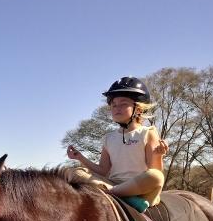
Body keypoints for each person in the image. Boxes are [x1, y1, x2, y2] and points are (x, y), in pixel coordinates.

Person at [67, 76, 168, 212]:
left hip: (139, 187)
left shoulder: (148, 132)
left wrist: (158, 155)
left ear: (138, 109)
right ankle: (121, 196)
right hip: (111, 183)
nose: (116, 108)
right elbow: (103, 170)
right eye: (113, 105)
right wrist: (80, 157)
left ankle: (113, 194)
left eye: (123, 104)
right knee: (74, 172)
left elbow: (155, 169)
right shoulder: (108, 138)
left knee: (156, 177)